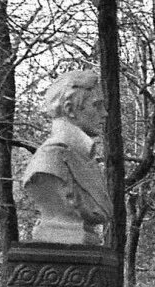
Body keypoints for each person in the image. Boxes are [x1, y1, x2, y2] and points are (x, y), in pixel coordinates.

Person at [22, 70, 110, 245]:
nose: (105, 113)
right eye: (97, 105)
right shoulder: (50, 160)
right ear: (70, 109)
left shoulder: (83, 157)